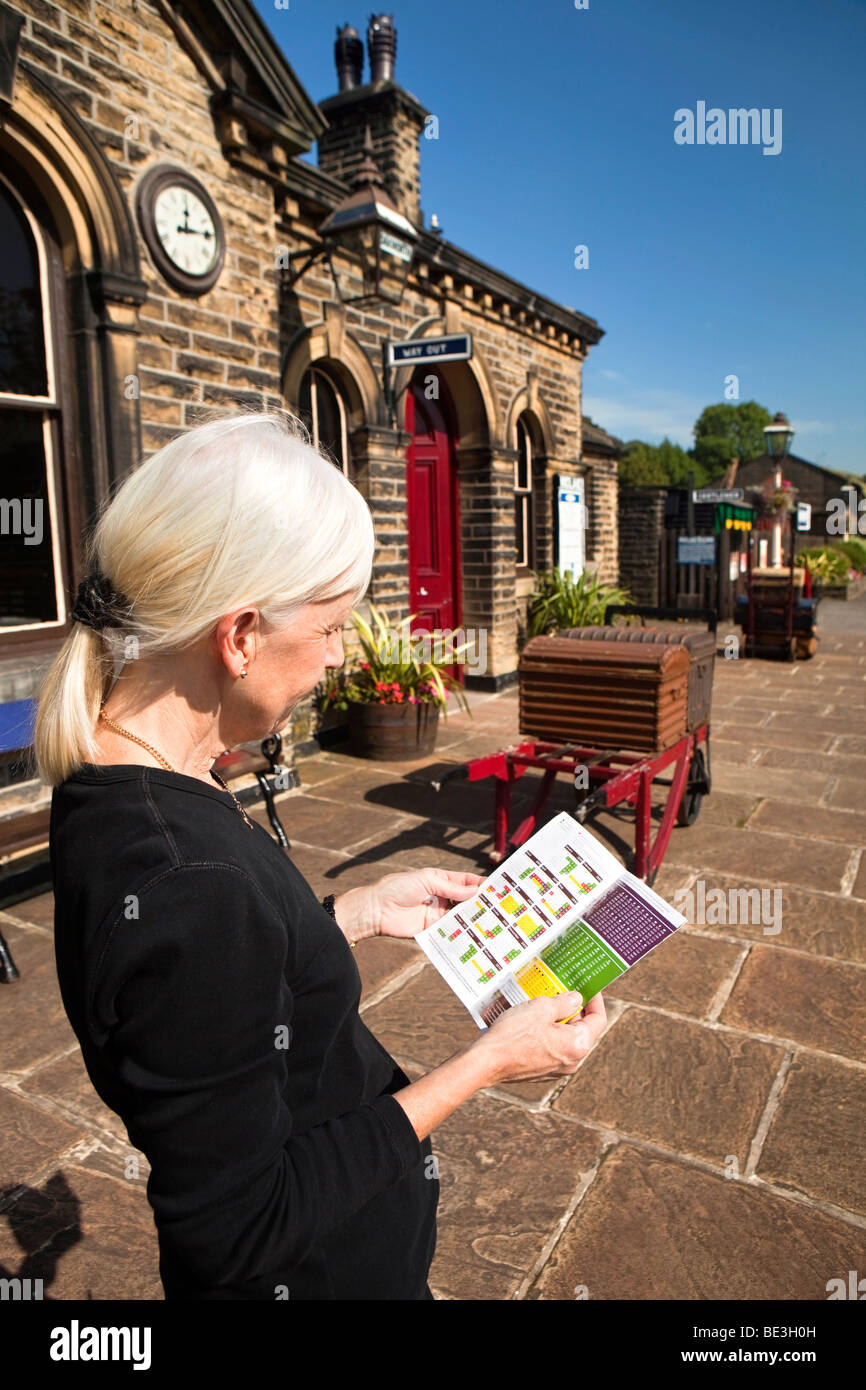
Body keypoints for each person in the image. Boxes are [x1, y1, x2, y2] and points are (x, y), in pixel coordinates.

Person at [35, 410, 607, 1301]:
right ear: (241, 635)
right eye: (335, 626)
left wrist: (352, 914)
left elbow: (214, 992)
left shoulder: (119, 774)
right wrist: (489, 1061)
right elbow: (241, 1228)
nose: (341, 658)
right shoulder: (186, 881)